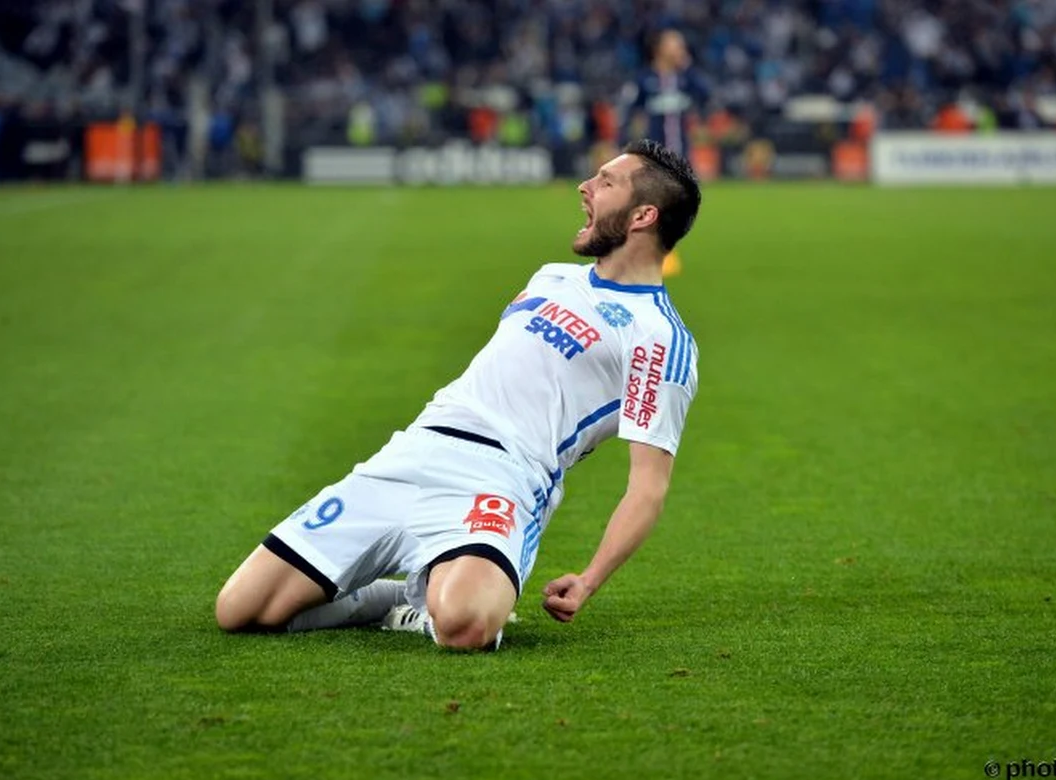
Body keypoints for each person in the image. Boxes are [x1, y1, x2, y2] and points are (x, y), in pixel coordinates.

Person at [215, 139, 701, 651]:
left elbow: (648, 486)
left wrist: (589, 578)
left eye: (606, 182)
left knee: (464, 627)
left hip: (504, 476)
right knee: (241, 610)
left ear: (644, 214)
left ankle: (436, 600)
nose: (585, 186)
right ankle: (387, 598)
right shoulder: (550, 277)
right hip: (415, 449)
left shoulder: (660, 339)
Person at [621, 29, 710, 277]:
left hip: (681, 154)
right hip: (653, 156)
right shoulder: (644, 79)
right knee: (655, 204)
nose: (680, 47)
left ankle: (656, 251)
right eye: (675, 43)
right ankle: (656, 253)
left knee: (676, 205)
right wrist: (622, 147)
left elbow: (706, 92)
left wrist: (688, 66)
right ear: (660, 48)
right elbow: (627, 112)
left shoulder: (685, 79)